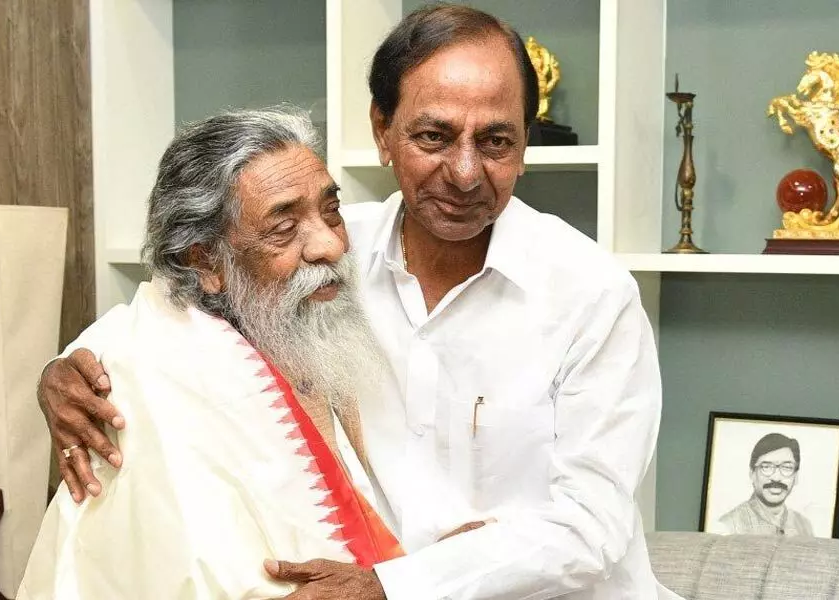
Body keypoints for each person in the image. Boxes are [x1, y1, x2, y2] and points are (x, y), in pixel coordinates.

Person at [38, 4, 677, 598]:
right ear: (382, 130)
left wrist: (397, 584)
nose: (464, 172)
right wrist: (69, 369)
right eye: (434, 136)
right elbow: (172, 313)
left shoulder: (593, 294)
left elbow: (590, 526)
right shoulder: (327, 254)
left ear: (525, 145)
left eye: (495, 142)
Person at [17, 108, 403, 599]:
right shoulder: (142, 384)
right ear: (204, 261)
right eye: (283, 228)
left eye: (331, 209)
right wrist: (55, 374)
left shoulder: (331, 306)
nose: (329, 244)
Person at [715, 433, 814, 537]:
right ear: (752, 474)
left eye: (786, 467)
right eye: (766, 467)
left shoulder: (805, 526)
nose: (776, 478)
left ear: (796, 476)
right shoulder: (729, 526)